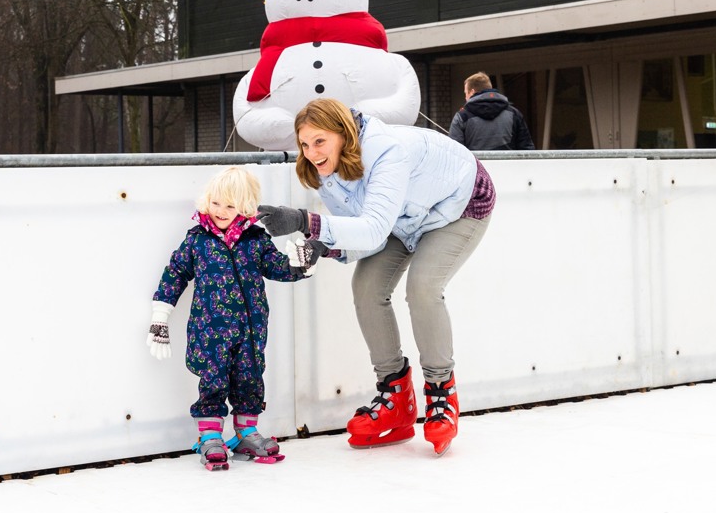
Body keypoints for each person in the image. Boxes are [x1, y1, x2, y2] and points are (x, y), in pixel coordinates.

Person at [257, 98, 496, 456]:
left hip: (457, 206)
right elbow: (363, 236)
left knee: (423, 288)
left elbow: (372, 230)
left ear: (342, 133)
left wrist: (307, 222)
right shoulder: (325, 172)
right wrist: (323, 246)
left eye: (319, 141)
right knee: (367, 287)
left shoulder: (386, 150)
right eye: (304, 144)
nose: (311, 153)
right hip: (403, 219)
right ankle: (395, 397)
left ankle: (441, 391)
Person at [145, 166, 312, 471]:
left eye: (231, 205)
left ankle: (246, 432)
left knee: (250, 380)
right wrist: (160, 316)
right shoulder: (197, 240)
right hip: (210, 333)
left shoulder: (255, 239)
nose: (221, 211)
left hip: (250, 331)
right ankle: (210, 435)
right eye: (217, 202)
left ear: (245, 207)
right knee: (213, 381)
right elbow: (175, 273)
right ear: (207, 201)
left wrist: (299, 264)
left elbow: (276, 266)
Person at [449, 72, 535, 150]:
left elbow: (455, 152)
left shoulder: (461, 117)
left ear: (472, 92)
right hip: (507, 166)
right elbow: (527, 149)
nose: (465, 97)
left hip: (477, 166)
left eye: (465, 93)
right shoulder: (514, 113)